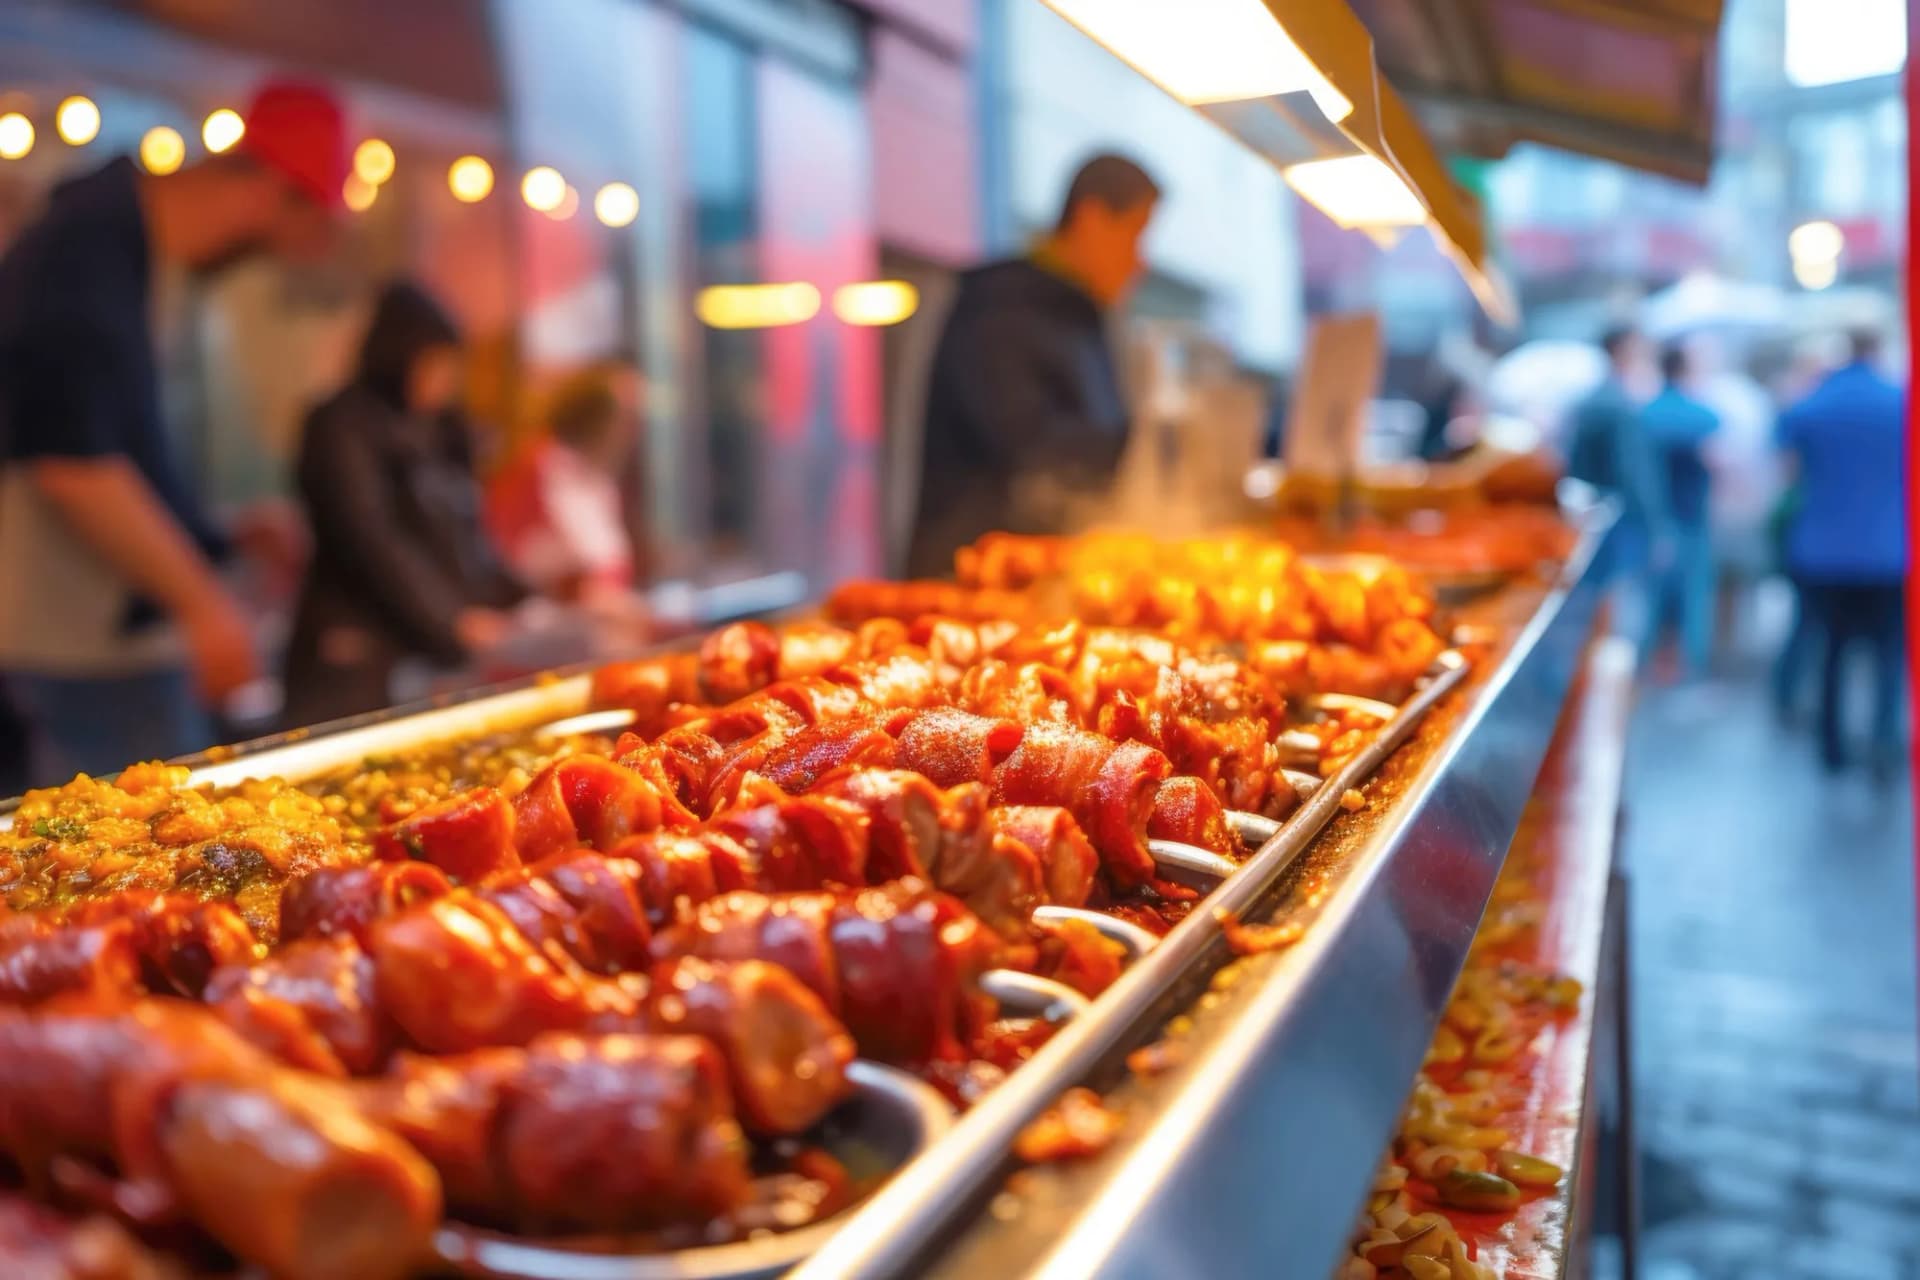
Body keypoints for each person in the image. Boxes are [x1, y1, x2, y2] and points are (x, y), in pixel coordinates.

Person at [0, 81, 345, 787]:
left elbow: (101, 439)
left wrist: (216, 530)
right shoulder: (85, 248)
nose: (281, 259)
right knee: (144, 868)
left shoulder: (133, 250)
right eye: (297, 234)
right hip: (81, 651)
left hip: (106, 644)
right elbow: (72, 462)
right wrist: (206, 606)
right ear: (275, 191)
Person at [282, 281, 525, 727]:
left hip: (430, 653)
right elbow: (369, 537)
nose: (447, 378)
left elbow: (466, 541)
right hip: (354, 651)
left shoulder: (437, 429)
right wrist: (450, 621)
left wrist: (528, 597)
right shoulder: (342, 423)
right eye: (437, 362)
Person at [908, 153, 1159, 577]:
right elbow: (1033, 459)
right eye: (1135, 235)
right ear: (1092, 218)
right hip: (966, 583)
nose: (1141, 261)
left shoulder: (1082, 320)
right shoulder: (1001, 310)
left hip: (1045, 577)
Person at [1777, 330, 1907, 774]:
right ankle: (1884, 741)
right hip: (1890, 549)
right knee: (1890, 653)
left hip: (1823, 550)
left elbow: (1787, 467)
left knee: (1831, 650)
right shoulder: (1900, 401)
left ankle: (1831, 747)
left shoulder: (1814, 403)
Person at [487, 366, 642, 602]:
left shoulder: (595, 477)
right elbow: (524, 566)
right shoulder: (540, 467)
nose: (633, 432)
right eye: (626, 419)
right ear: (593, 418)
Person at [1564, 327, 1661, 636]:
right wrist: (1654, 524)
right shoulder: (1616, 403)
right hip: (1618, 520)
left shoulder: (1597, 397)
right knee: (1613, 610)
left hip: (1597, 516)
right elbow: (1632, 472)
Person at [1639, 343, 1721, 679]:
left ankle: (1643, 671)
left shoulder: (1645, 414)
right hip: (1691, 517)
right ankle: (1689, 673)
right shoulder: (1701, 415)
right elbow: (1717, 461)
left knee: (1652, 603)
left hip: (1655, 520)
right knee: (1693, 603)